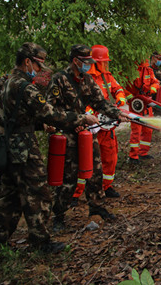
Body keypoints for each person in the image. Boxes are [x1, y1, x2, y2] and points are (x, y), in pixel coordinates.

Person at [0, 42, 99, 254]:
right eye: (38, 65)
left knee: (8, 197)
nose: (40, 70)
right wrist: (81, 118)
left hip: (8, 145)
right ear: (27, 61)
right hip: (24, 150)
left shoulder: (7, 82)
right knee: (39, 194)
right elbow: (51, 112)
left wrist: (40, 125)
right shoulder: (25, 87)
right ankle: (40, 243)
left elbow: (14, 117)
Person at [46, 44, 129, 232]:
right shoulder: (59, 80)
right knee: (69, 178)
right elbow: (50, 111)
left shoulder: (88, 79)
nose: (88, 66)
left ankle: (97, 207)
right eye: (85, 62)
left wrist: (117, 114)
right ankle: (59, 215)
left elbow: (99, 102)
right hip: (67, 135)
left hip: (86, 134)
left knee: (95, 171)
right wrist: (78, 118)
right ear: (76, 61)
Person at [71, 45, 126, 205]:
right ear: (95, 62)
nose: (106, 65)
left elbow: (118, 89)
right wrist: (88, 115)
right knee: (85, 160)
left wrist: (120, 99)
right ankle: (76, 193)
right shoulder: (84, 77)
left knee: (110, 158)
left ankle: (105, 187)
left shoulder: (107, 77)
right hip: (91, 128)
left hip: (107, 127)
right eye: (104, 62)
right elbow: (80, 101)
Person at [124, 59, 160, 164]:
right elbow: (122, 86)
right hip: (136, 105)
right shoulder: (129, 70)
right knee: (136, 130)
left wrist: (152, 90)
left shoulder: (148, 70)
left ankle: (143, 153)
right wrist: (131, 98)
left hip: (147, 103)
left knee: (148, 129)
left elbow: (156, 82)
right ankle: (133, 156)